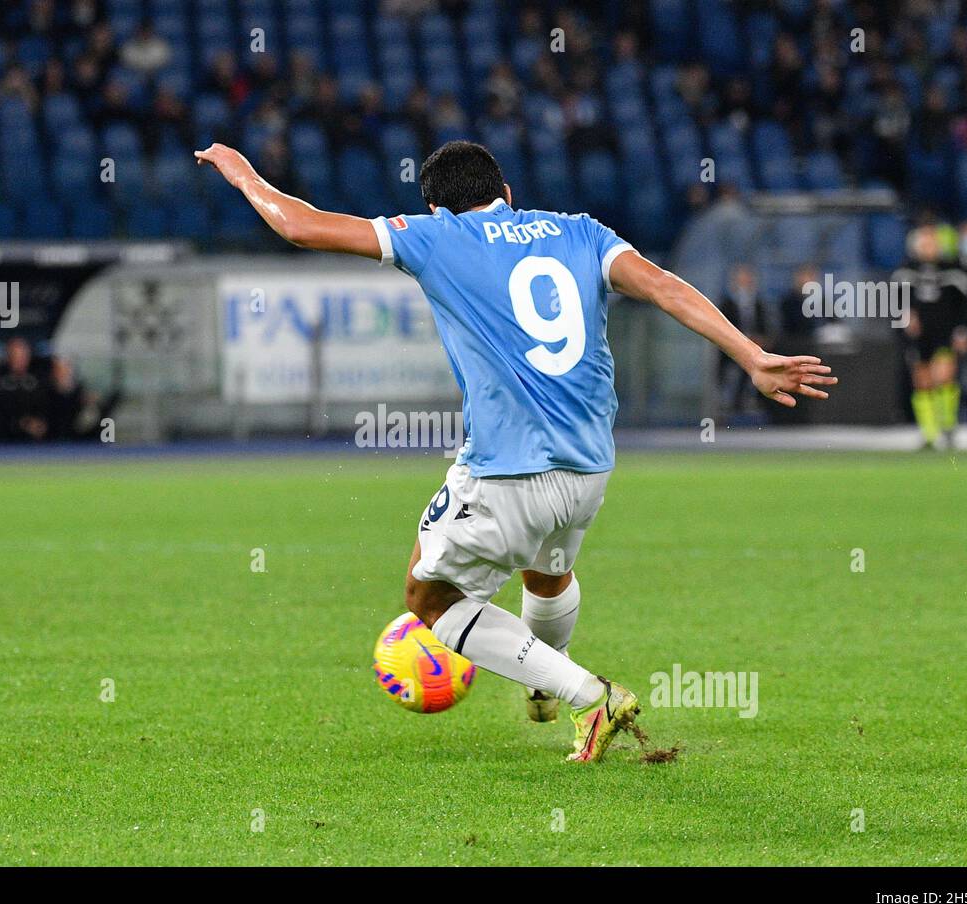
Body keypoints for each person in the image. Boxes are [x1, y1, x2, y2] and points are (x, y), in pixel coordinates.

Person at [196, 139, 836, 763]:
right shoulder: (581, 231)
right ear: (507, 194)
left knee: (429, 599)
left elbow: (301, 227)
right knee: (546, 573)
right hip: (590, 468)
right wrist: (751, 357)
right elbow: (665, 286)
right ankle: (540, 685)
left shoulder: (437, 236)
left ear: (441, 209)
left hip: (508, 470)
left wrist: (245, 173)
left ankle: (591, 695)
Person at [891, 226, 967, 449]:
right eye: (926, 243)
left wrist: (963, 330)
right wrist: (905, 318)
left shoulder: (953, 269)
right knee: (922, 381)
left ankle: (947, 425)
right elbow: (893, 303)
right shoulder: (905, 271)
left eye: (934, 242)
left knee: (944, 375)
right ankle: (929, 433)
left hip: (945, 332)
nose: (931, 247)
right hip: (919, 336)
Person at [718, 264, 774, 413]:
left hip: (755, 348)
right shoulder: (726, 304)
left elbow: (765, 328)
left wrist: (760, 340)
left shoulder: (759, 304)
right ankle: (735, 404)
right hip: (730, 350)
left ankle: (759, 402)